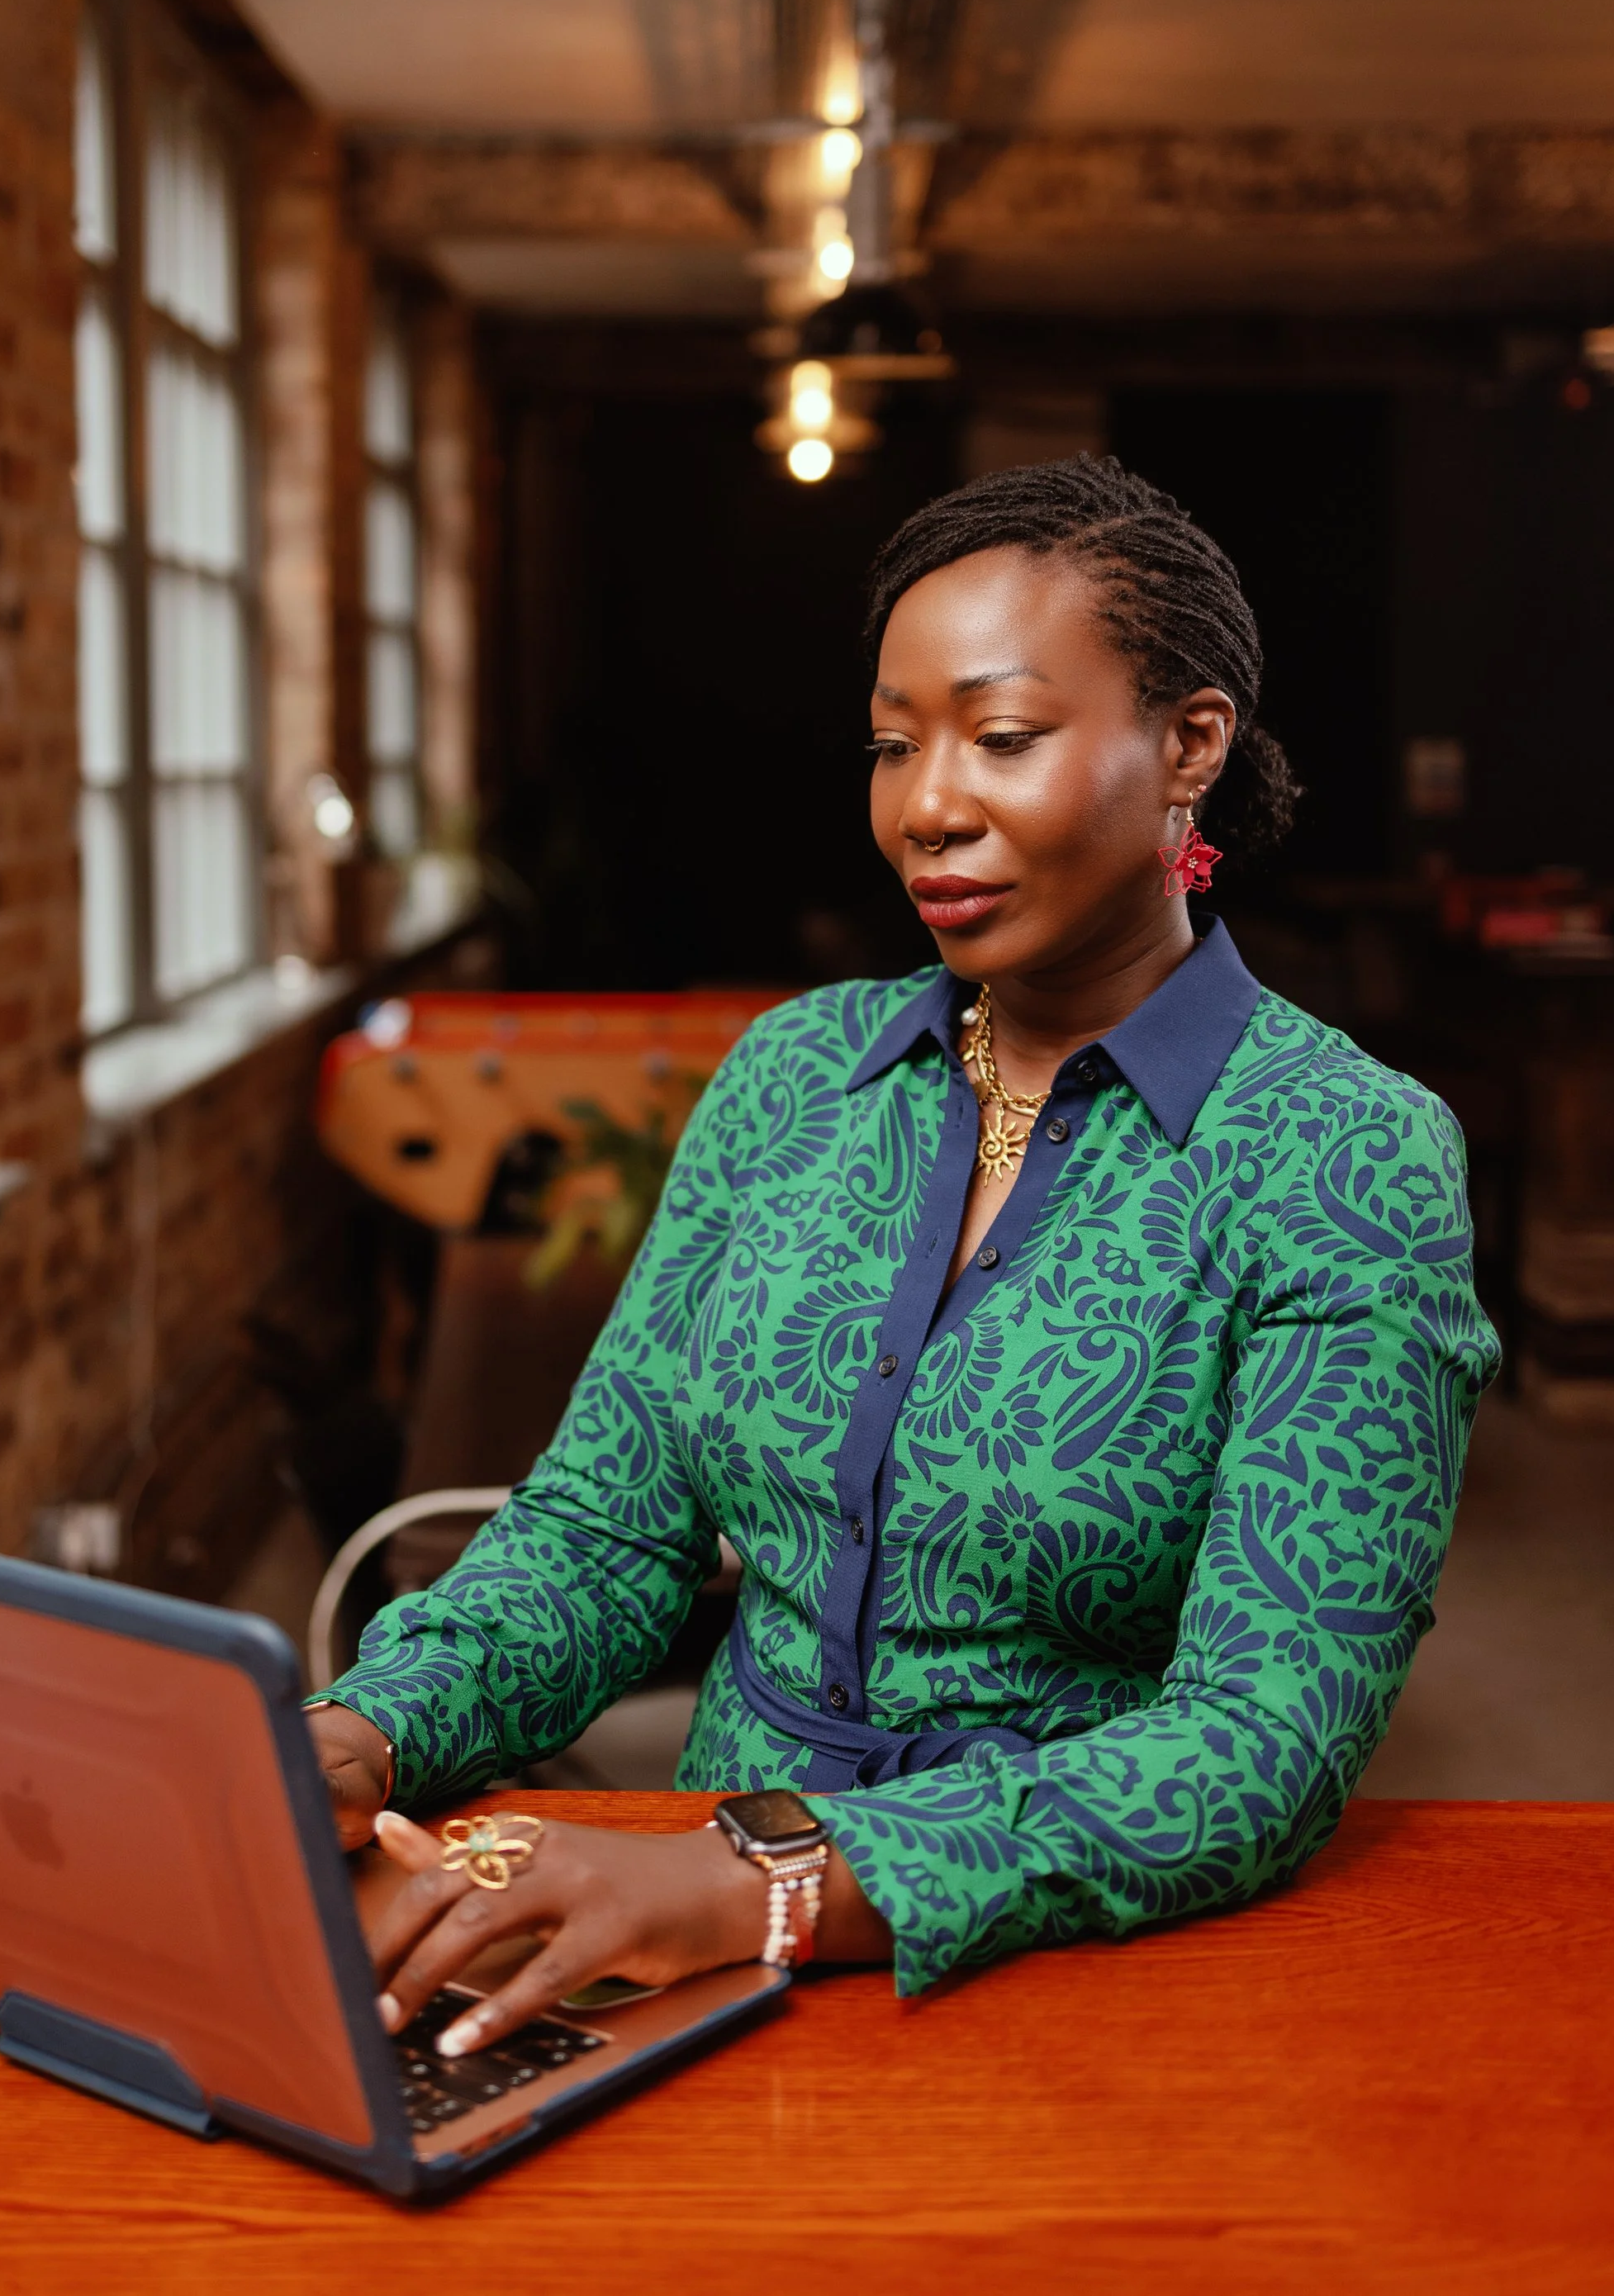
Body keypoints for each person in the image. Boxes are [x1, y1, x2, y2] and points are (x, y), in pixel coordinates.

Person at [310, 454, 1499, 2061]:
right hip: (679, 1974)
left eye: (1000, 737)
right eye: (890, 743)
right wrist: (368, 1727)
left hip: (1074, 1979)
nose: (925, 802)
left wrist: (759, 1882)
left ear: (1186, 748)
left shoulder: (1339, 1153)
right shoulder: (794, 1080)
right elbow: (604, 1526)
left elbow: (1257, 1740)